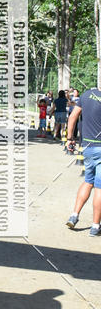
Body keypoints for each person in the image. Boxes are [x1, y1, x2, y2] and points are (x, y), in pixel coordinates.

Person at [65, 87, 101, 236]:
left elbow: (73, 117)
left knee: (88, 181)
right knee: (99, 187)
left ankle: (74, 215)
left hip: (87, 147)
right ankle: (95, 226)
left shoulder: (86, 95)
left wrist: (69, 138)